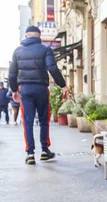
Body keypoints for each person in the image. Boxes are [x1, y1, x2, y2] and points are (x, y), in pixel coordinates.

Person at [9, 26, 69, 165]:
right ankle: (44, 150)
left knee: (27, 122)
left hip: (25, 89)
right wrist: (63, 85)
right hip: (41, 88)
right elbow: (52, 68)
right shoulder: (45, 50)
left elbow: (12, 73)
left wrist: (14, 90)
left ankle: (30, 154)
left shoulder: (18, 51)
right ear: (39, 37)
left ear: (26, 36)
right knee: (43, 120)